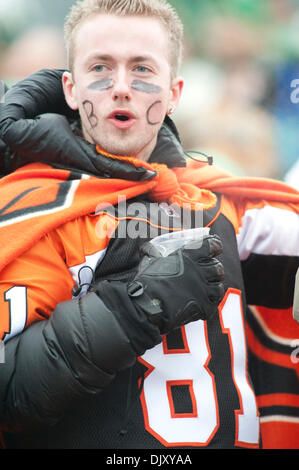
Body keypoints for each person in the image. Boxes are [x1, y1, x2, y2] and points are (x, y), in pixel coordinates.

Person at [0, 0, 298, 450]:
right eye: (100, 67)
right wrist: (134, 308)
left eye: (142, 69)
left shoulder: (227, 200)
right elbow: (9, 391)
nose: (121, 87)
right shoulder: (40, 205)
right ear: (70, 87)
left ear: (174, 91)